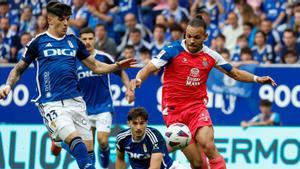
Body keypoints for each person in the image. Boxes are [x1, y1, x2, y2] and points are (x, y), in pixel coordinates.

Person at [129, 15, 277, 169]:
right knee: (198, 163)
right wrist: (138, 80)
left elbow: (234, 73)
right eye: (189, 36)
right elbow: (148, 68)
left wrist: (257, 79)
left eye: (197, 37)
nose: (192, 41)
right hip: (174, 112)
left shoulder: (211, 55)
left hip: (196, 108)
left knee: (208, 145)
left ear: (205, 37)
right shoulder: (172, 50)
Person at [0, 1, 135, 169]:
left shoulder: (74, 42)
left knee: (88, 154)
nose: (66, 23)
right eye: (61, 19)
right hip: (51, 102)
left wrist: (117, 66)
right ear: (50, 19)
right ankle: (62, 139)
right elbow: (19, 69)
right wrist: (7, 85)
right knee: (76, 143)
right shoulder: (38, 42)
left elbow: (96, 66)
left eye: (68, 19)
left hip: (77, 102)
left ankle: (59, 141)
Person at [115, 107, 181, 169]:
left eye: (141, 123)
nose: (138, 127)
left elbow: (155, 167)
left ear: (146, 123)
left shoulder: (155, 136)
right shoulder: (122, 138)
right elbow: (120, 159)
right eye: (135, 123)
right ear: (129, 123)